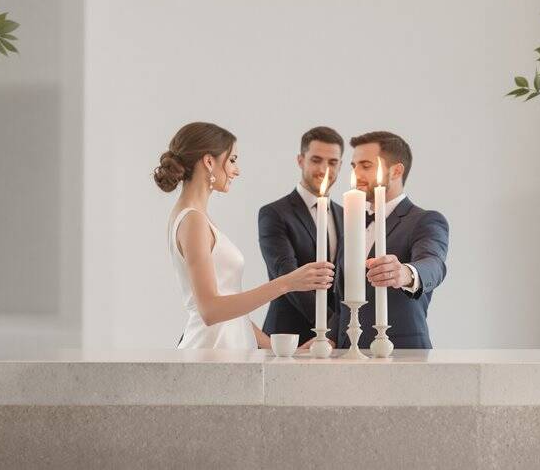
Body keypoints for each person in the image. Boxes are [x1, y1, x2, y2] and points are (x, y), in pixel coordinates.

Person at [154, 122, 334, 349]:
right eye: (232, 160)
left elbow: (232, 312)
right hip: (211, 351)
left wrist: (281, 349)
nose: (236, 170)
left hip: (226, 348)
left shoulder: (197, 217)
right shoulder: (193, 220)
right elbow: (210, 310)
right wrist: (287, 283)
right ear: (209, 162)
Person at [339, 131, 449, 349]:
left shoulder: (425, 220)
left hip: (401, 351)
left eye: (366, 166)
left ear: (396, 171)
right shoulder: (352, 221)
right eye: (354, 166)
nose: (356, 173)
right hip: (346, 351)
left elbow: (434, 264)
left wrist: (405, 273)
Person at [258, 127, 346, 347]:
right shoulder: (274, 213)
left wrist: (340, 331)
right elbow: (287, 274)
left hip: (338, 339)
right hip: (288, 337)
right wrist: (332, 328)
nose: (324, 169)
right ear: (300, 160)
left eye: (332, 162)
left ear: (341, 165)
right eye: (316, 160)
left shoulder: (347, 215)